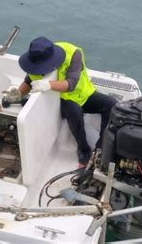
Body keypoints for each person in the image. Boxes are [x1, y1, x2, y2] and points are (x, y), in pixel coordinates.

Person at [15, 36, 117, 166]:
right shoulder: (35, 62)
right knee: (74, 111)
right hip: (58, 102)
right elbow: (28, 82)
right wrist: (16, 95)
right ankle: (83, 149)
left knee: (111, 104)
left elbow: (71, 83)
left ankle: (101, 147)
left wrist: (49, 85)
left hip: (83, 95)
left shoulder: (73, 54)